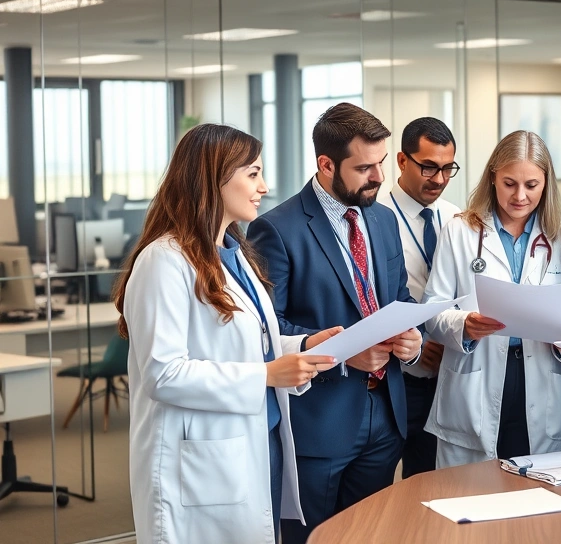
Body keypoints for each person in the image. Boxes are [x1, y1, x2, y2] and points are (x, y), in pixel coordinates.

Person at [114, 124, 340, 544]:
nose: (264, 186)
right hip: (202, 461)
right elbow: (163, 373)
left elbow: (247, 346)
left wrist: (304, 346)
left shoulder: (234, 255)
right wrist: (267, 375)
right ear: (212, 178)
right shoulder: (163, 260)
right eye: (252, 173)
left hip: (257, 442)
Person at [247, 103, 423, 543]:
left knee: (371, 536)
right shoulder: (277, 229)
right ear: (326, 165)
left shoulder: (382, 219)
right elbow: (268, 330)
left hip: (384, 415)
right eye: (364, 167)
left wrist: (412, 340)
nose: (379, 177)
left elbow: (398, 299)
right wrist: (345, 356)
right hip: (320, 424)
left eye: (380, 163)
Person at [422, 130, 561, 468]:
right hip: (475, 377)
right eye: (509, 183)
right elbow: (433, 311)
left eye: (531, 185)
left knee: (537, 501)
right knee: (471, 502)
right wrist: (465, 325)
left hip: (540, 379)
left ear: (546, 183)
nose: (520, 196)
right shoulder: (459, 231)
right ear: (493, 177)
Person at [382, 117, 462, 478]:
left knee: (435, 480)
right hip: (396, 375)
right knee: (384, 484)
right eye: (429, 167)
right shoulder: (376, 217)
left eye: (448, 169)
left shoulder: (458, 218)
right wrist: (416, 347)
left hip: (450, 372)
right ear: (402, 161)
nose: (440, 180)